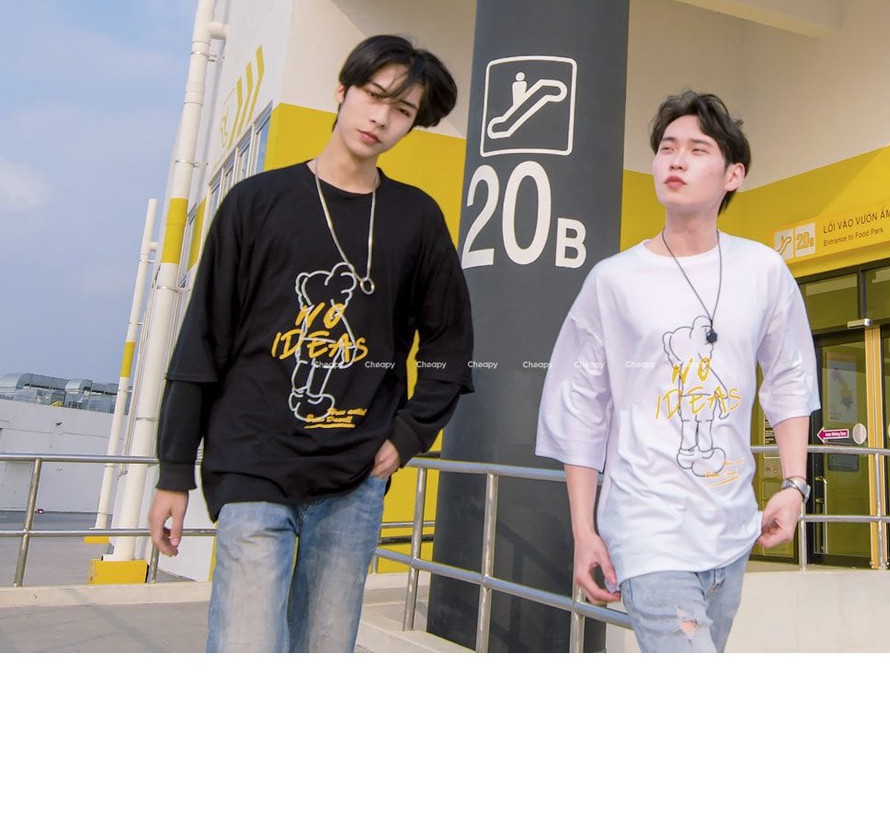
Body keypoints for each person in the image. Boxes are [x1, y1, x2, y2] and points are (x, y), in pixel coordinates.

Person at [148, 34, 474, 652]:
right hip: (251, 463)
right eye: (374, 95)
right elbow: (202, 341)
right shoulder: (256, 202)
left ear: (413, 124)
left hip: (354, 476)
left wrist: (407, 437)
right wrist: (172, 473)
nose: (381, 117)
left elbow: (450, 345)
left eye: (402, 110)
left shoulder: (416, 219)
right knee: (246, 648)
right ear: (342, 91)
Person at [535, 90, 818, 653]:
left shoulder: (763, 269)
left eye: (696, 149)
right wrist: (584, 529)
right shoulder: (614, 280)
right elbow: (579, 405)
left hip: (731, 527)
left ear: (733, 175)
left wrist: (794, 485)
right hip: (645, 525)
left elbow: (790, 378)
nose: (676, 160)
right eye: (666, 148)